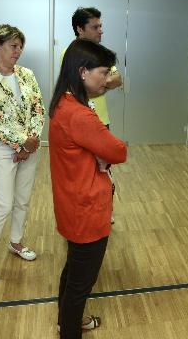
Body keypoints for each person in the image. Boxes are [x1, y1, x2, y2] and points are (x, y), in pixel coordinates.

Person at [49, 38, 127, 338]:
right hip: (86, 209)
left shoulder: (64, 103)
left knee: (73, 274)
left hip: (72, 204)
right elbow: (118, 151)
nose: (107, 79)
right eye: (103, 73)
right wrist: (107, 152)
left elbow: (100, 150)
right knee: (80, 284)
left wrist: (100, 153)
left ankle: (66, 322)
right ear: (83, 72)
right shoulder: (79, 114)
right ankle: (70, 329)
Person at [0, 24, 44, 282]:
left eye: (20, 46)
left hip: (30, 147)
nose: (19, 51)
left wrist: (31, 141)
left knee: (23, 199)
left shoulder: (27, 75)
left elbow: (38, 108)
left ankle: (15, 242)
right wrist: (22, 142)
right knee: (3, 203)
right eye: (13, 45)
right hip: (4, 149)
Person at [67, 6, 124, 223]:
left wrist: (99, 82)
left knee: (104, 170)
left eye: (101, 26)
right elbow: (74, 86)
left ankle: (103, 213)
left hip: (102, 121)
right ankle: (81, 218)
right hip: (81, 125)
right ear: (80, 29)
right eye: (95, 27)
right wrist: (104, 82)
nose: (101, 31)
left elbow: (118, 79)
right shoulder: (70, 54)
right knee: (83, 174)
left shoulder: (102, 54)